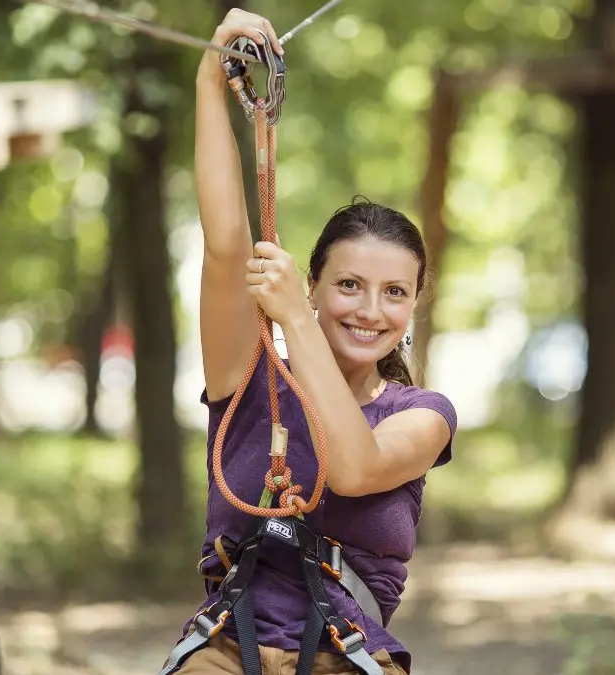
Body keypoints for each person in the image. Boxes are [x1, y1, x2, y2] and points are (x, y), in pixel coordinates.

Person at [164, 8, 458, 675]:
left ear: (413, 306)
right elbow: (225, 246)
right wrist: (212, 78)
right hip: (224, 649)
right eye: (349, 284)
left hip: (344, 659)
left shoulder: (422, 416)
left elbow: (352, 468)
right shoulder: (250, 378)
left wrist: (296, 319)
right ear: (317, 285)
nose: (371, 309)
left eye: (394, 292)